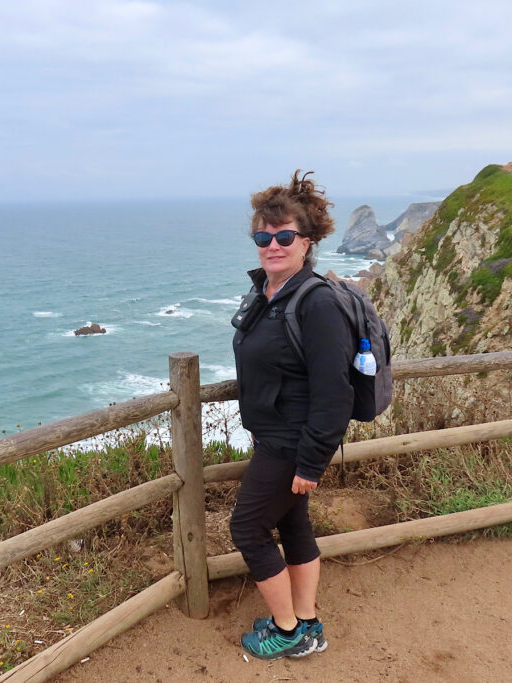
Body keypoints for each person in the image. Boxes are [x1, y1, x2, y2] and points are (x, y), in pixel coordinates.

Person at [230, 170, 355, 660]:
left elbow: (334, 391)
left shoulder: (317, 302)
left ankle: (285, 631)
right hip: (275, 435)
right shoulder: (268, 292)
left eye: (284, 236)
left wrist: (311, 461)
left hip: (292, 442)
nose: (272, 245)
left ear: (307, 241)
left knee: (247, 529)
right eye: (264, 236)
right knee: (294, 525)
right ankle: (306, 622)